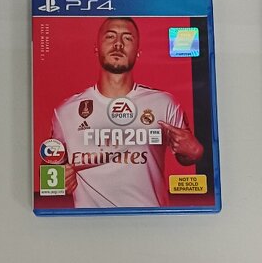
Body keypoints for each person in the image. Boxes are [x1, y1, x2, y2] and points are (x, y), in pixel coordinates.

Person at [51, 17, 204, 208]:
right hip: (90, 221)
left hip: (151, 219)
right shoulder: (65, 112)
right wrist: (59, 179)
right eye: (110, 37)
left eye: (127, 38)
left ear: (138, 51)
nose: (118, 44)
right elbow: (50, 168)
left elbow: (185, 156)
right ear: (96, 47)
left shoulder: (164, 103)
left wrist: (195, 152)